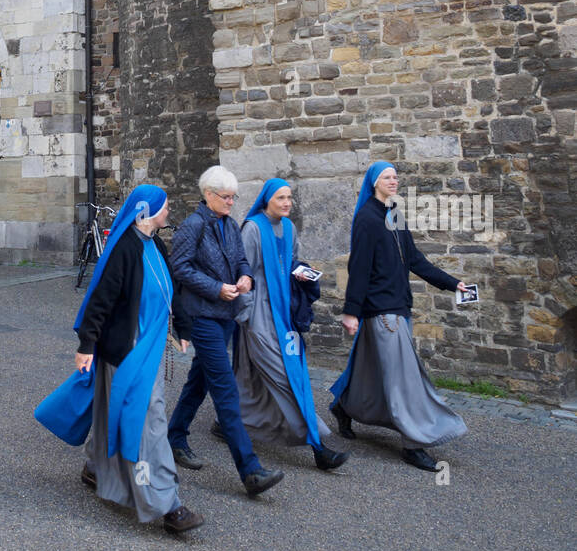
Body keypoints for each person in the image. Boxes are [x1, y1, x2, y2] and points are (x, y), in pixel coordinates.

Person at [35, 185, 204, 535]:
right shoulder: (123, 250)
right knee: (149, 422)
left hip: (149, 350)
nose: (169, 212)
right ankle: (166, 503)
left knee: (113, 411)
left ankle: (96, 467)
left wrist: (183, 328)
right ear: (146, 212)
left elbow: (172, 290)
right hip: (125, 354)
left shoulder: (156, 244)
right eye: (165, 208)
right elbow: (101, 301)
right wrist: (86, 345)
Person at [330, 160, 469, 471]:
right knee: (405, 379)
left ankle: (343, 406)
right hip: (382, 313)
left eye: (395, 176)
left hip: (397, 308)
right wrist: (351, 311)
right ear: (374, 182)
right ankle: (412, 443)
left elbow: (416, 260)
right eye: (386, 177)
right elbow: (359, 268)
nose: (393, 181)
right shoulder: (367, 218)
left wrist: (452, 283)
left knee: (368, 372)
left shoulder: (394, 214)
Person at [167, 165, 284, 497]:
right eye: (226, 197)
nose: (232, 202)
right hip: (202, 315)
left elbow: (241, 261)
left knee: (200, 380)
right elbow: (180, 267)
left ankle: (175, 436)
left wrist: (246, 277)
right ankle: (250, 470)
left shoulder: (231, 225)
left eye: (234, 197)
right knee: (225, 389)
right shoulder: (192, 226)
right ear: (208, 195)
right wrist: (216, 287)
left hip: (226, 315)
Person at [233, 178, 347, 471]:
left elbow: (292, 260)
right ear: (267, 200)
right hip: (259, 313)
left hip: (284, 312)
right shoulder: (253, 228)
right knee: (284, 377)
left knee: (254, 377)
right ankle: (318, 444)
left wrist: (303, 273)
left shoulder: (289, 228)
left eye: (289, 198)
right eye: (281, 198)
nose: (287, 203)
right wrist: (245, 318)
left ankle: (230, 421)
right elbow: (242, 272)